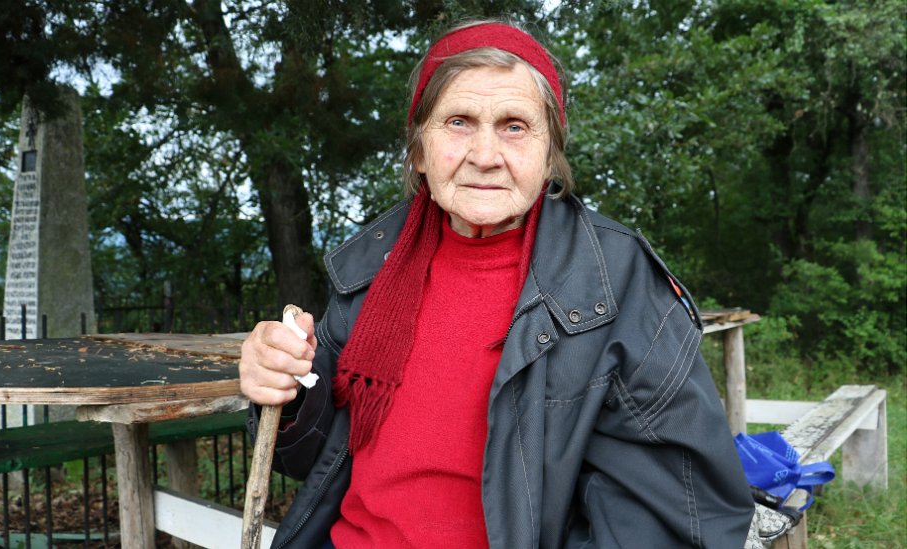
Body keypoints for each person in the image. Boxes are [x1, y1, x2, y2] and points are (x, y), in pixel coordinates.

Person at [240, 20, 755, 549]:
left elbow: (678, 513)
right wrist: (285, 387)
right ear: (419, 150)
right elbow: (310, 458)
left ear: (550, 153)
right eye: (459, 122)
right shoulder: (375, 266)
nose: (485, 156)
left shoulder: (617, 283)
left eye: (513, 126)